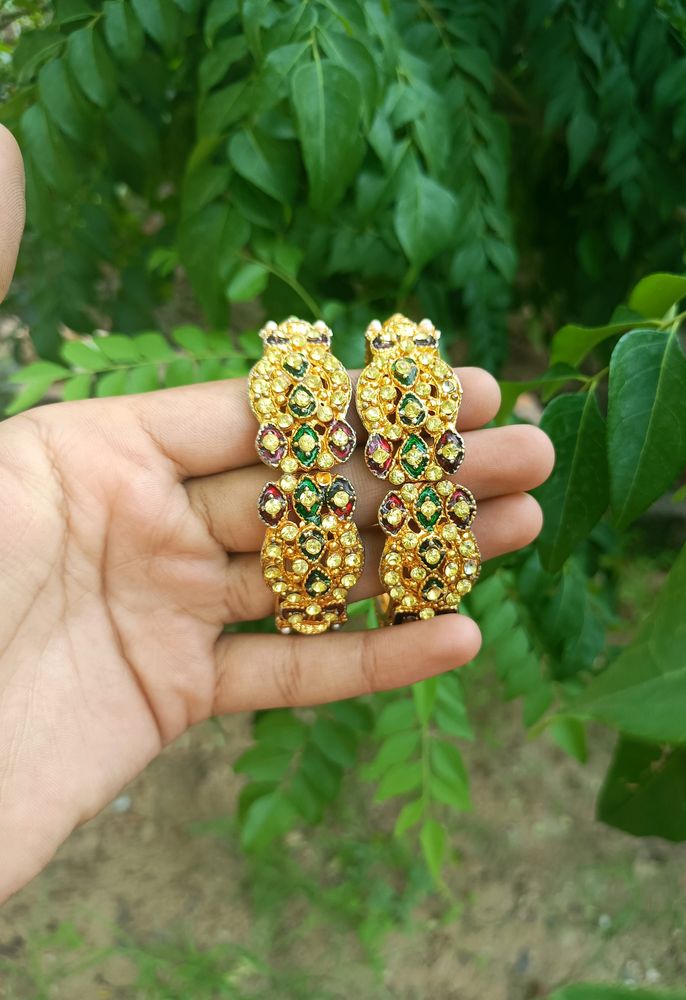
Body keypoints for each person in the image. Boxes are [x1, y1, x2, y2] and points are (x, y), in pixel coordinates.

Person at [0, 125, 554, 903]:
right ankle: (363, 588)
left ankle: (385, 588)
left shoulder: (369, 439)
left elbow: (398, 466)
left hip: (357, 503)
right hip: (327, 506)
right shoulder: (316, 431)